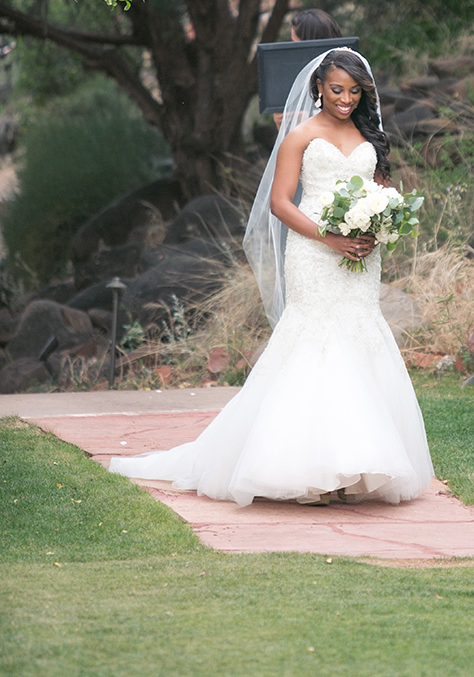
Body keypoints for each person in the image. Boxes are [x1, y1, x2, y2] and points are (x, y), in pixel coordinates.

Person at [109, 48, 433, 506]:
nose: (345, 99)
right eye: (337, 89)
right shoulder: (299, 135)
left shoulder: (369, 135)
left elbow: (382, 190)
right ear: (319, 86)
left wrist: (380, 225)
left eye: (354, 91)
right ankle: (311, 470)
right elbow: (281, 203)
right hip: (314, 251)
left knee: (359, 340)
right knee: (316, 344)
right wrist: (330, 237)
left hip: (361, 253)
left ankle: (355, 466)